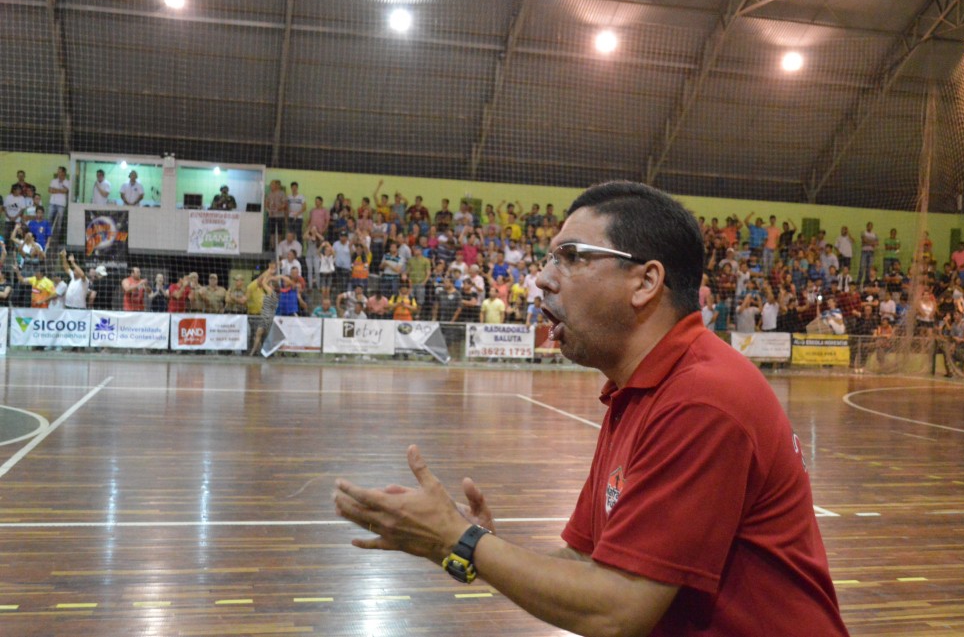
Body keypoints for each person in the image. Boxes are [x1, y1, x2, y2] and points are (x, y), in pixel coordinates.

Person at [333, 180, 848, 637]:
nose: (542, 278)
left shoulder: (703, 398)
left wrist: (459, 540)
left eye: (570, 256)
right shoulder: (638, 388)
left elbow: (618, 611)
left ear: (645, 282)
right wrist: (469, 546)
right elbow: (584, 562)